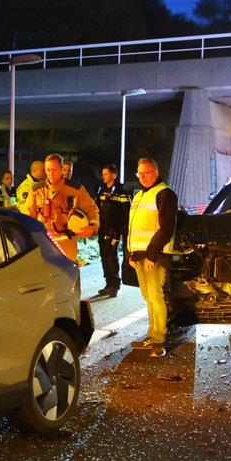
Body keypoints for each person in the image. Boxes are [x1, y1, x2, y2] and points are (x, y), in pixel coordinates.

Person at [127, 158, 178, 358]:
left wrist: (152, 254)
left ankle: (159, 341)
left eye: (147, 173)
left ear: (156, 172)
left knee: (156, 298)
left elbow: (167, 228)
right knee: (148, 298)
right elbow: (132, 227)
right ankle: (151, 335)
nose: (143, 177)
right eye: (140, 174)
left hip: (154, 256)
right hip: (140, 255)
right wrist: (131, 254)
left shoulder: (164, 194)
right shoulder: (140, 195)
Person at [27, 153, 99, 262]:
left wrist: (93, 227)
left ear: (61, 169)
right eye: (48, 170)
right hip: (43, 248)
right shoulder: (36, 191)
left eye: (54, 170)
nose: (51, 173)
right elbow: (27, 219)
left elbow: (92, 209)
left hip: (67, 249)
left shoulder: (76, 190)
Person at [95, 164, 130, 296]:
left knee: (111, 256)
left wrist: (122, 231)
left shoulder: (121, 190)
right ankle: (108, 283)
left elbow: (126, 213)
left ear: (114, 174)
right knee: (104, 255)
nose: (103, 176)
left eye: (106, 174)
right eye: (103, 174)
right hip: (102, 229)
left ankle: (115, 285)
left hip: (114, 230)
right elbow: (96, 208)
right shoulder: (101, 189)